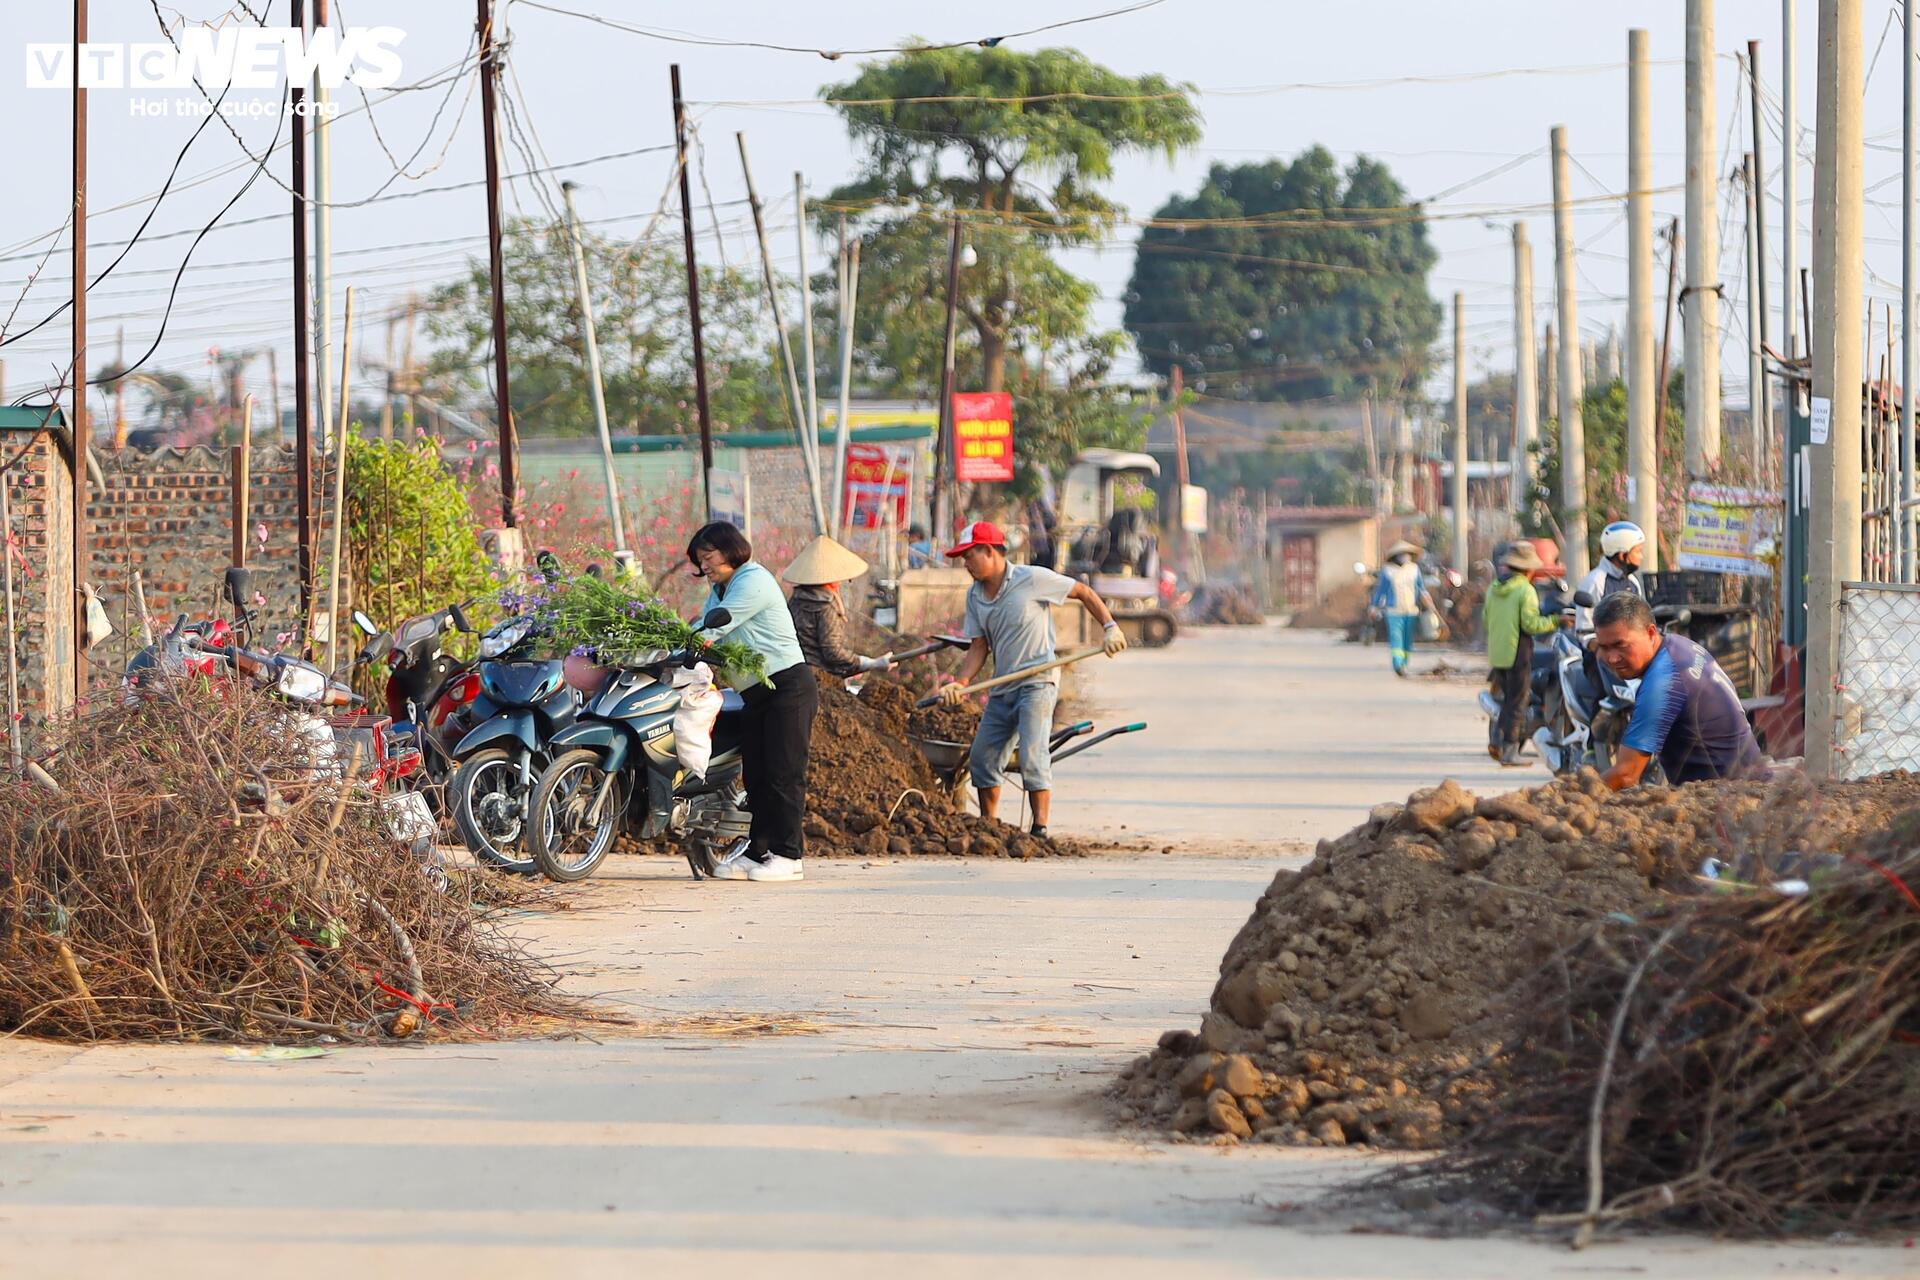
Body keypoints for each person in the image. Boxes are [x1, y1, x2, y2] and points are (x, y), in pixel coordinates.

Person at [939, 520, 1126, 839]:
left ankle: (1039, 831)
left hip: (1037, 682)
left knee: (1032, 754)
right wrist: (962, 682)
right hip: (1002, 686)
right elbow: (979, 646)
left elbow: (1081, 591)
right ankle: (991, 827)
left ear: (988, 551)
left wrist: (1110, 627)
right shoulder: (975, 596)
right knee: (983, 757)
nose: (965, 564)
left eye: (969, 556)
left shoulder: (1031, 579)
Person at [686, 522, 816, 883]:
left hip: (787, 687)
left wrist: (694, 642)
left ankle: (789, 856)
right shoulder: (720, 587)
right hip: (755, 693)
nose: (705, 565)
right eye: (700, 559)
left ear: (730, 550)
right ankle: (758, 851)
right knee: (757, 776)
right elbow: (704, 623)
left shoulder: (752, 580)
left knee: (784, 774)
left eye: (708, 556)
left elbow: (717, 628)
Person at [1591, 593, 1763, 790]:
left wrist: (1567, 796)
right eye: (1604, 648)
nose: (1612, 658)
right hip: (1749, 783)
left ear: (1650, 633)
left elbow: (1625, 775)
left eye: (1620, 645)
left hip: (1730, 800)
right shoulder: (1678, 646)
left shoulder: (1663, 682)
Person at [1483, 540, 1562, 766]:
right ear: (1529, 569)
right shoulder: (1525, 590)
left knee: (1508, 701)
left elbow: (1486, 619)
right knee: (1517, 704)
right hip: (1518, 653)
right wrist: (1556, 621)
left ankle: (1498, 743)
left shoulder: (1494, 588)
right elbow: (1531, 625)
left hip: (1498, 654)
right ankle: (1509, 752)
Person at [783, 534, 895, 679]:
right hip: (820, 677)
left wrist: (852, 666)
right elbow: (832, 651)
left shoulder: (796, 599)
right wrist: (868, 663)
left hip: (797, 672)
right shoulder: (825, 606)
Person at [1369, 541, 1435, 677]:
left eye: (1407, 554)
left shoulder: (1414, 569)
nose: (1405, 557)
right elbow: (1381, 591)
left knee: (1407, 640)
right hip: (1394, 611)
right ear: (1396, 556)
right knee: (1396, 637)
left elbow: (1421, 588)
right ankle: (1397, 664)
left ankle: (1404, 664)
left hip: (1411, 610)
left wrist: (1429, 601)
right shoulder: (1388, 571)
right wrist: (1374, 607)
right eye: (1402, 554)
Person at [1574, 521, 1648, 633]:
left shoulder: (1633, 582)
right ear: (1622, 555)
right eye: (1638, 551)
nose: (1641, 557)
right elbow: (1585, 631)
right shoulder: (1594, 582)